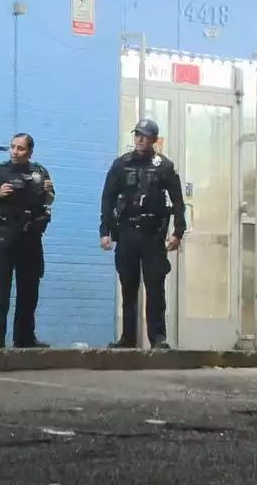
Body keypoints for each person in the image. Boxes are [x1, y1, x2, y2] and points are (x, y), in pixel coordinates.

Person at [100, 118, 186, 350]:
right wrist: (105, 231)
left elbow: (177, 201)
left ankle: (157, 337)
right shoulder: (120, 165)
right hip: (127, 233)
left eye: (144, 135)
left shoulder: (164, 167)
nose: (139, 139)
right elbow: (107, 199)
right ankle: (128, 337)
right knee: (128, 286)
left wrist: (178, 231)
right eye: (137, 134)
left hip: (152, 236)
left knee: (155, 287)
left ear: (154, 139)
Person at [0, 133, 55, 349]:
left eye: (20, 148)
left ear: (30, 152)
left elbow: (50, 200)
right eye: (13, 147)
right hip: (3, 236)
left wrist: (48, 191)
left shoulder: (39, 172)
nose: (15, 152)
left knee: (29, 290)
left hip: (30, 238)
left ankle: (25, 337)